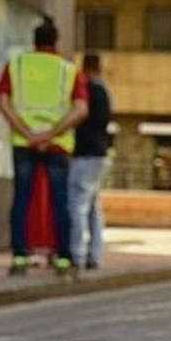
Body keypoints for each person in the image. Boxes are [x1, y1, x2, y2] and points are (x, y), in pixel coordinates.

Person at [0, 18, 88, 277]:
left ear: (34, 42)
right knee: (61, 201)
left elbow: (2, 101)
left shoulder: (16, 66)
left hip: (23, 143)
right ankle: (63, 259)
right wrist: (51, 133)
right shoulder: (69, 70)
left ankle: (19, 257)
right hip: (57, 144)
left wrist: (27, 133)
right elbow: (81, 109)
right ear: (56, 43)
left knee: (21, 199)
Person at [69, 53, 111, 271]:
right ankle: (95, 254)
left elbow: (78, 116)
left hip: (84, 154)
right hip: (100, 154)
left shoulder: (88, 90)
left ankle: (77, 253)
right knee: (93, 206)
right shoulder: (104, 90)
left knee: (77, 205)